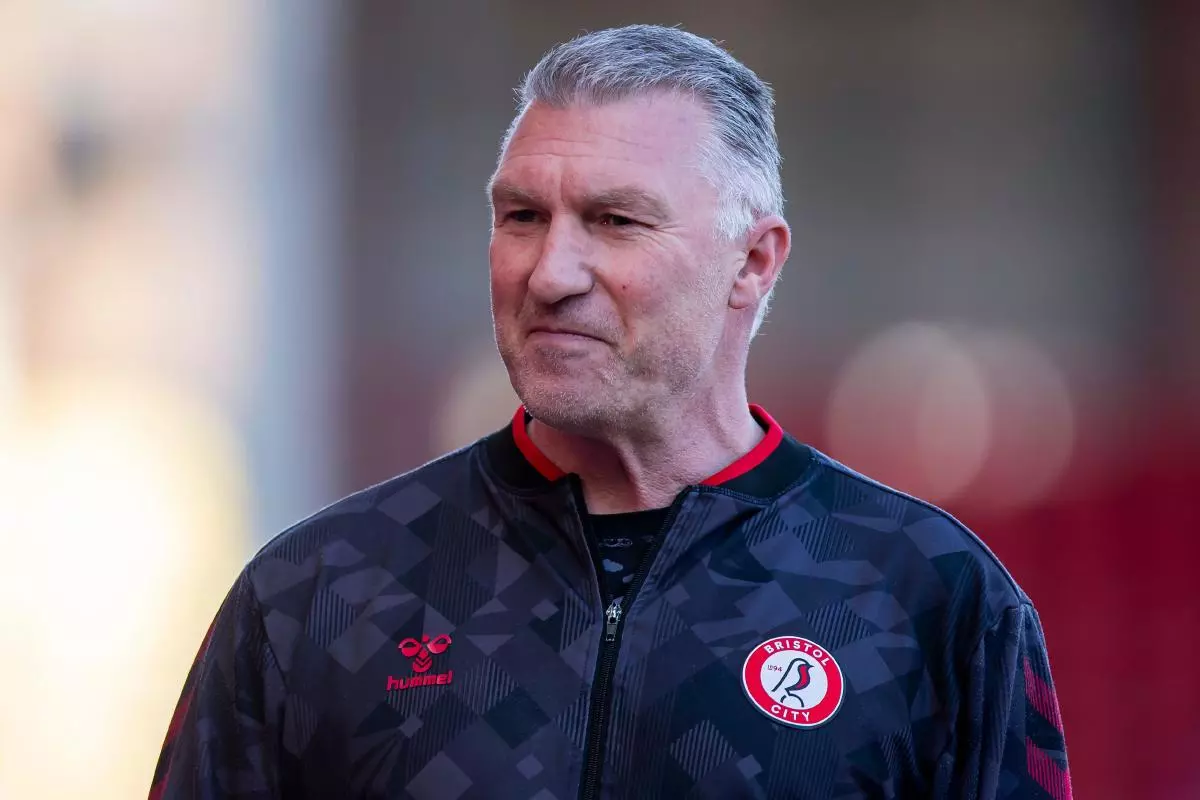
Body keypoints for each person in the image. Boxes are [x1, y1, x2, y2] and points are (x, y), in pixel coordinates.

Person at [151, 24, 1071, 799]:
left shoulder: (925, 600)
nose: (550, 273)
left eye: (616, 221)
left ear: (753, 263)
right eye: (521, 217)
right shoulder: (323, 592)